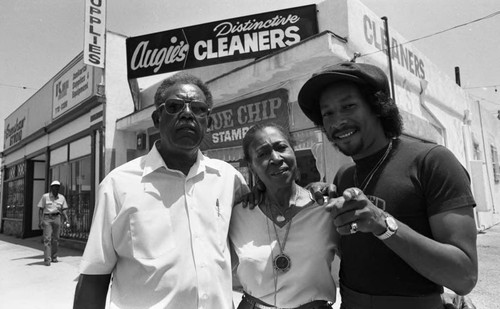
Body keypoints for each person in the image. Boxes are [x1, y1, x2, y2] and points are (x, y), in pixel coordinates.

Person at [297, 61, 478, 309]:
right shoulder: (344, 177)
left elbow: (464, 277)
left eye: (348, 106)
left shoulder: (432, 161)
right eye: (327, 113)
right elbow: (361, 253)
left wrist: (383, 223)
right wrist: (318, 208)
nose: (337, 121)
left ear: (377, 107)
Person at [73, 73, 248, 309]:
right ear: (157, 118)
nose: (187, 114)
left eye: (198, 109)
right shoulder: (118, 185)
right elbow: (94, 274)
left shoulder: (228, 179)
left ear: (209, 122)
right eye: (175, 106)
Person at [230, 123, 337, 309]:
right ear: (251, 166)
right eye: (263, 154)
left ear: (293, 152)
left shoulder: (325, 209)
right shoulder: (239, 214)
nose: (275, 158)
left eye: (281, 148)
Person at [38, 180, 69, 266]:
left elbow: (64, 209)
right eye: (54, 187)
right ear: (51, 188)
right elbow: (40, 209)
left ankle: (54, 257)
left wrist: (66, 217)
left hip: (57, 218)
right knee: (47, 239)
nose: (56, 188)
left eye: (58, 187)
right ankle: (47, 259)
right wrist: (41, 220)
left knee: (56, 238)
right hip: (47, 218)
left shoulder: (62, 198)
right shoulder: (45, 197)